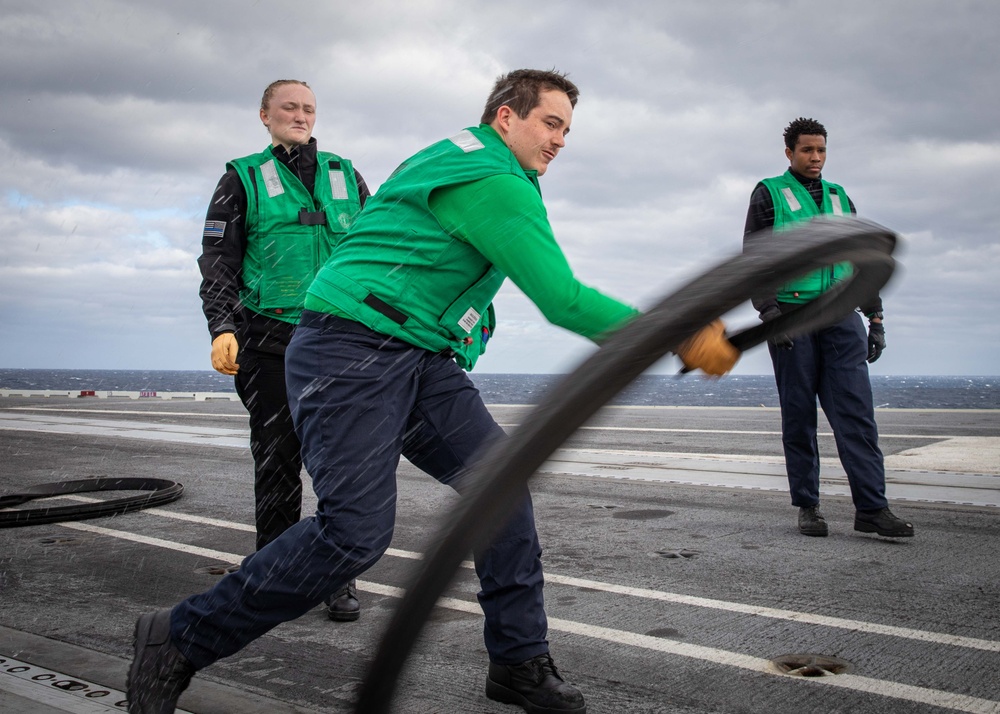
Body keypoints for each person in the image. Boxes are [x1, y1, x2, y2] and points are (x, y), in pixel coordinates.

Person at [130, 68, 738, 714]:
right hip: (351, 347)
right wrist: (677, 332)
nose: (561, 140)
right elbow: (564, 300)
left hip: (414, 353)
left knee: (500, 487)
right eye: (551, 123)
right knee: (354, 535)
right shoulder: (493, 180)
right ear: (507, 117)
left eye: (567, 129)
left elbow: (449, 278)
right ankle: (177, 638)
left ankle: (518, 662)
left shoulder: (469, 165)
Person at [196, 79, 370, 620]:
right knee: (276, 460)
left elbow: (379, 250)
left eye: (309, 108)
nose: (300, 115)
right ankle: (272, 574)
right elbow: (218, 261)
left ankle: (334, 572)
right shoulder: (241, 179)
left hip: (341, 343)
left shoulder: (347, 176)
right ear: (265, 115)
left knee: (341, 464)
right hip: (268, 342)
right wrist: (221, 326)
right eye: (289, 107)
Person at [743, 117, 913, 539]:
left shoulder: (840, 198)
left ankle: (872, 508)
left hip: (841, 319)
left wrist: (874, 318)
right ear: (790, 153)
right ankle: (808, 506)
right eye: (807, 150)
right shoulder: (769, 193)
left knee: (857, 415)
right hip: (792, 317)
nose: (815, 157)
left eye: (821, 150)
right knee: (799, 416)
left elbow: (861, 263)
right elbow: (754, 259)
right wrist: (770, 316)